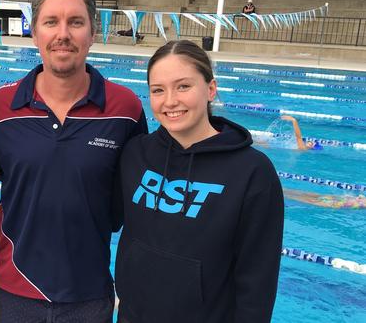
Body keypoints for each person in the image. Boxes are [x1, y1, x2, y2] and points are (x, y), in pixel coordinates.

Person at [0, 0, 148, 323]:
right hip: (14, 293)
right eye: (51, 22)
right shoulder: (1, 106)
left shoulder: (126, 109)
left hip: (89, 295)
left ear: (92, 31)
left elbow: (138, 205)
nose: (63, 34)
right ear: (34, 32)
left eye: (75, 22)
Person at [114, 40, 284, 323]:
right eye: (158, 90)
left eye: (183, 86)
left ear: (211, 89)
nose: (170, 101)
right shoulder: (135, 154)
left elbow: (257, 281)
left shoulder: (252, 172)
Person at [283, 188, 365, 209]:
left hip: (340, 199)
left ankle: (283, 190)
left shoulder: (362, 199)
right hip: (335, 204)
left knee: (309, 196)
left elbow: (360, 197)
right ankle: (283, 193)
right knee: (308, 199)